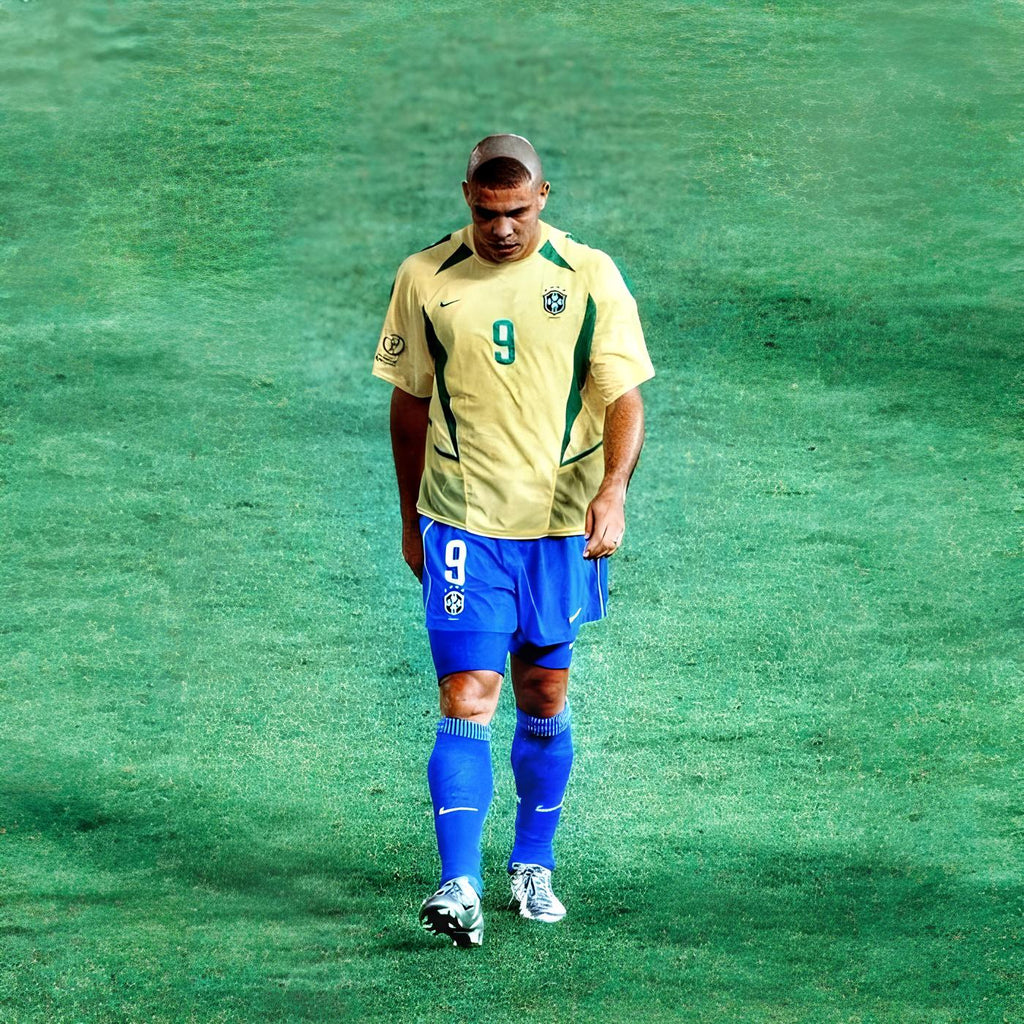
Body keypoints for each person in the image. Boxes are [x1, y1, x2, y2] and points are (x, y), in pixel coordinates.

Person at [371, 134, 654, 947]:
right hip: (462, 521)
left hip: (560, 526)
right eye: (489, 212)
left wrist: (613, 490)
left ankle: (533, 863)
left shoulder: (589, 274)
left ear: (544, 197)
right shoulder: (425, 277)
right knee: (468, 692)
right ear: (468, 196)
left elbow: (624, 397)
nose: (503, 228)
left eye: (519, 212)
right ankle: (457, 884)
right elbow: (409, 404)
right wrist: (409, 518)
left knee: (543, 694)